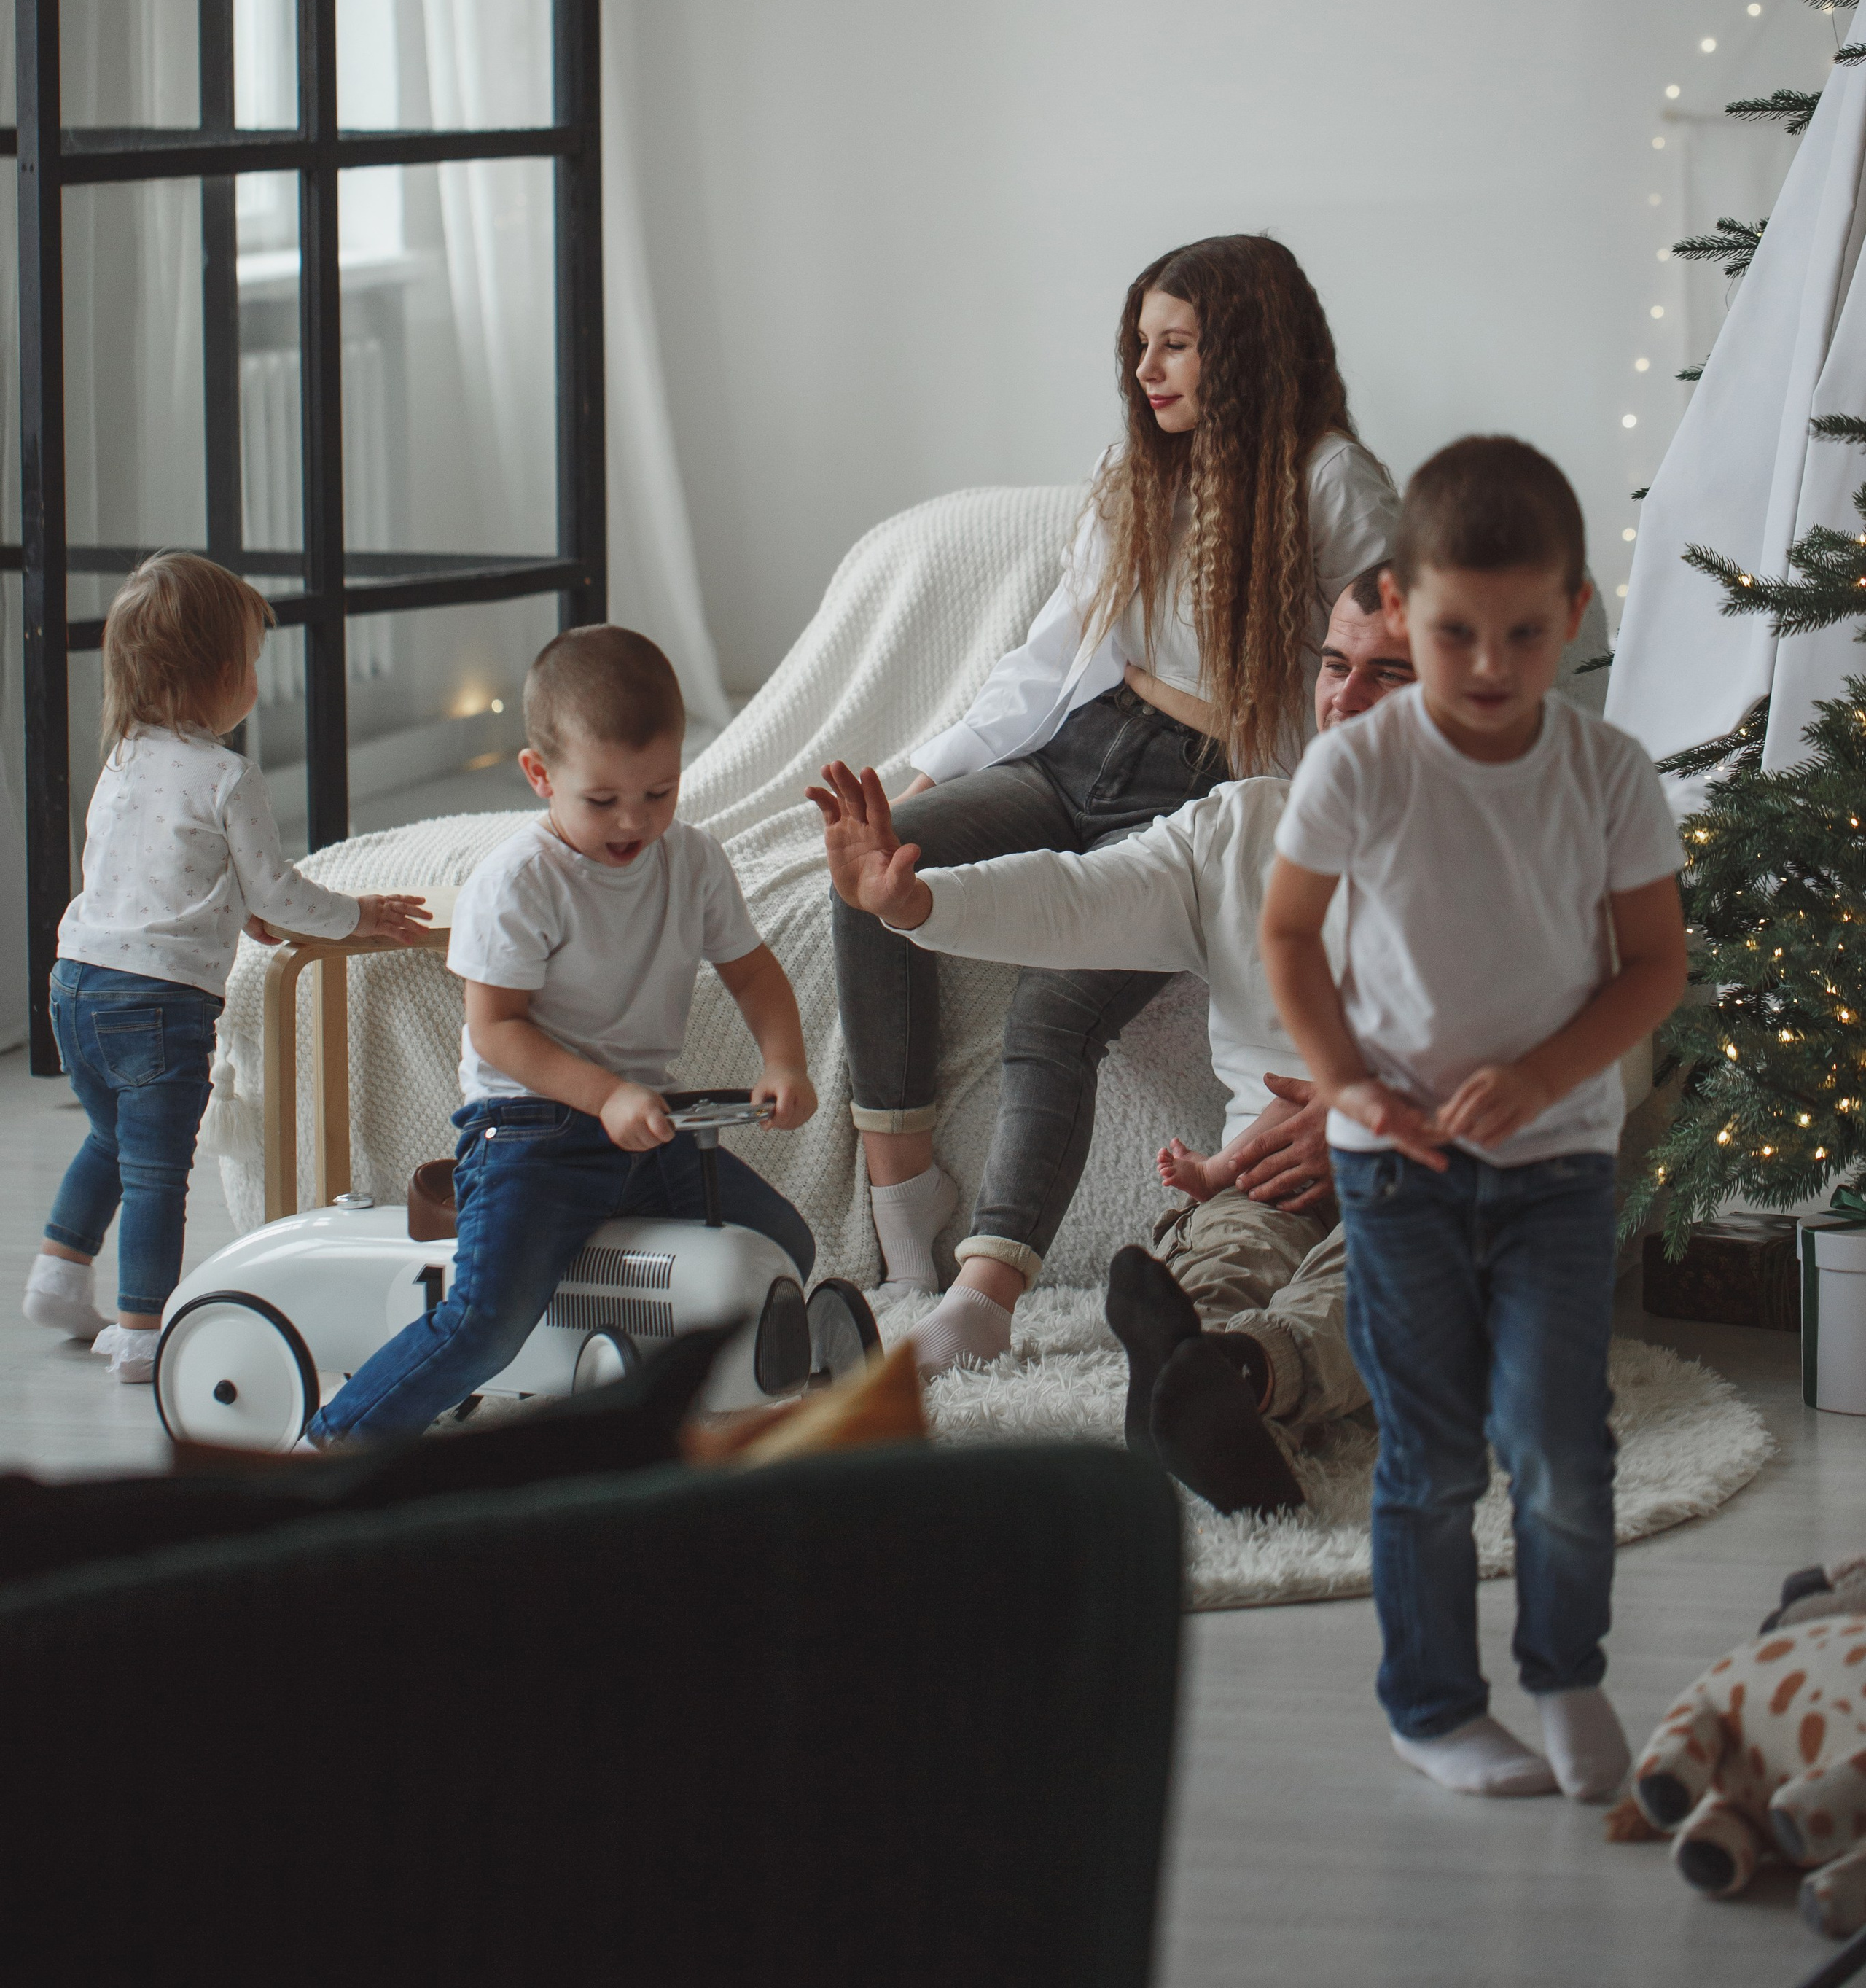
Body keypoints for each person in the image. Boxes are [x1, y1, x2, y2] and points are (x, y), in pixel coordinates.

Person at [825, 233, 1398, 1376]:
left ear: (1242, 347)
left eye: (1176, 345)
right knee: (876, 879)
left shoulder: (1333, 481)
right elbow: (1052, 656)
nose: (1148, 370)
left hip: (1207, 780)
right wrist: (927, 775)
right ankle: (903, 1206)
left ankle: (983, 1299)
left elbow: (1382, 668)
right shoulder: (1139, 468)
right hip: (1091, 746)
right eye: (1141, 345)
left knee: (1052, 1013)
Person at [1260, 437, 1686, 1806]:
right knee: (1431, 1454)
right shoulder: (1360, 768)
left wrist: (1551, 1070)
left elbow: (1653, 968)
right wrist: (1347, 1085)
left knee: (1560, 1441)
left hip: (1557, 1169)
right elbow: (1289, 935)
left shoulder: (1608, 775)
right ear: (1395, 606)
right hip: (1402, 1177)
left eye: (1522, 634)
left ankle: (1566, 1673)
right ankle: (1432, 1705)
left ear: (1571, 615)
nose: (1492, 667)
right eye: (1454, 635)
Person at [812, 566, 1414, 1502]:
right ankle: (1199, 1382)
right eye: (1335, 664)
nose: (1344, 699)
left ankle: (1245, 1377)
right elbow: (1074, 895)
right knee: (1214, 1264)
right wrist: (919, 902)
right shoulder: (1243, 823)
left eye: (1391, 677)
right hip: (1268, 1175)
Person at [309, 625, 816, 1446]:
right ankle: (331, 1443)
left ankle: (670, 1408)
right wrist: (604, 1093)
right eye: (603, 800)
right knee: (485, 1319)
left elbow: (753, 973)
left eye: (659, 793)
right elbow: (498, 1030)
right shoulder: (520, 880)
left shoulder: (692, 863)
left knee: (781, 1244)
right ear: (540, 777)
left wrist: (783, 1061)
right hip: (530, 1130)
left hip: (646, 1127)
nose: (634, 821)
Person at [24, 553, 430, 1383]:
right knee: (157, 1171)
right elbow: (280, 891)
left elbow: (140, 866)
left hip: (75, 982)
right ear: (220, 676)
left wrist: (226, 903)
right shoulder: (227, 775)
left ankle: (58, 1274)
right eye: (250, 665)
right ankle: (144, 1332)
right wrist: (360, 918)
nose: (253, 680)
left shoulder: (125, 758)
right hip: (157, 1004)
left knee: (109, 1136)